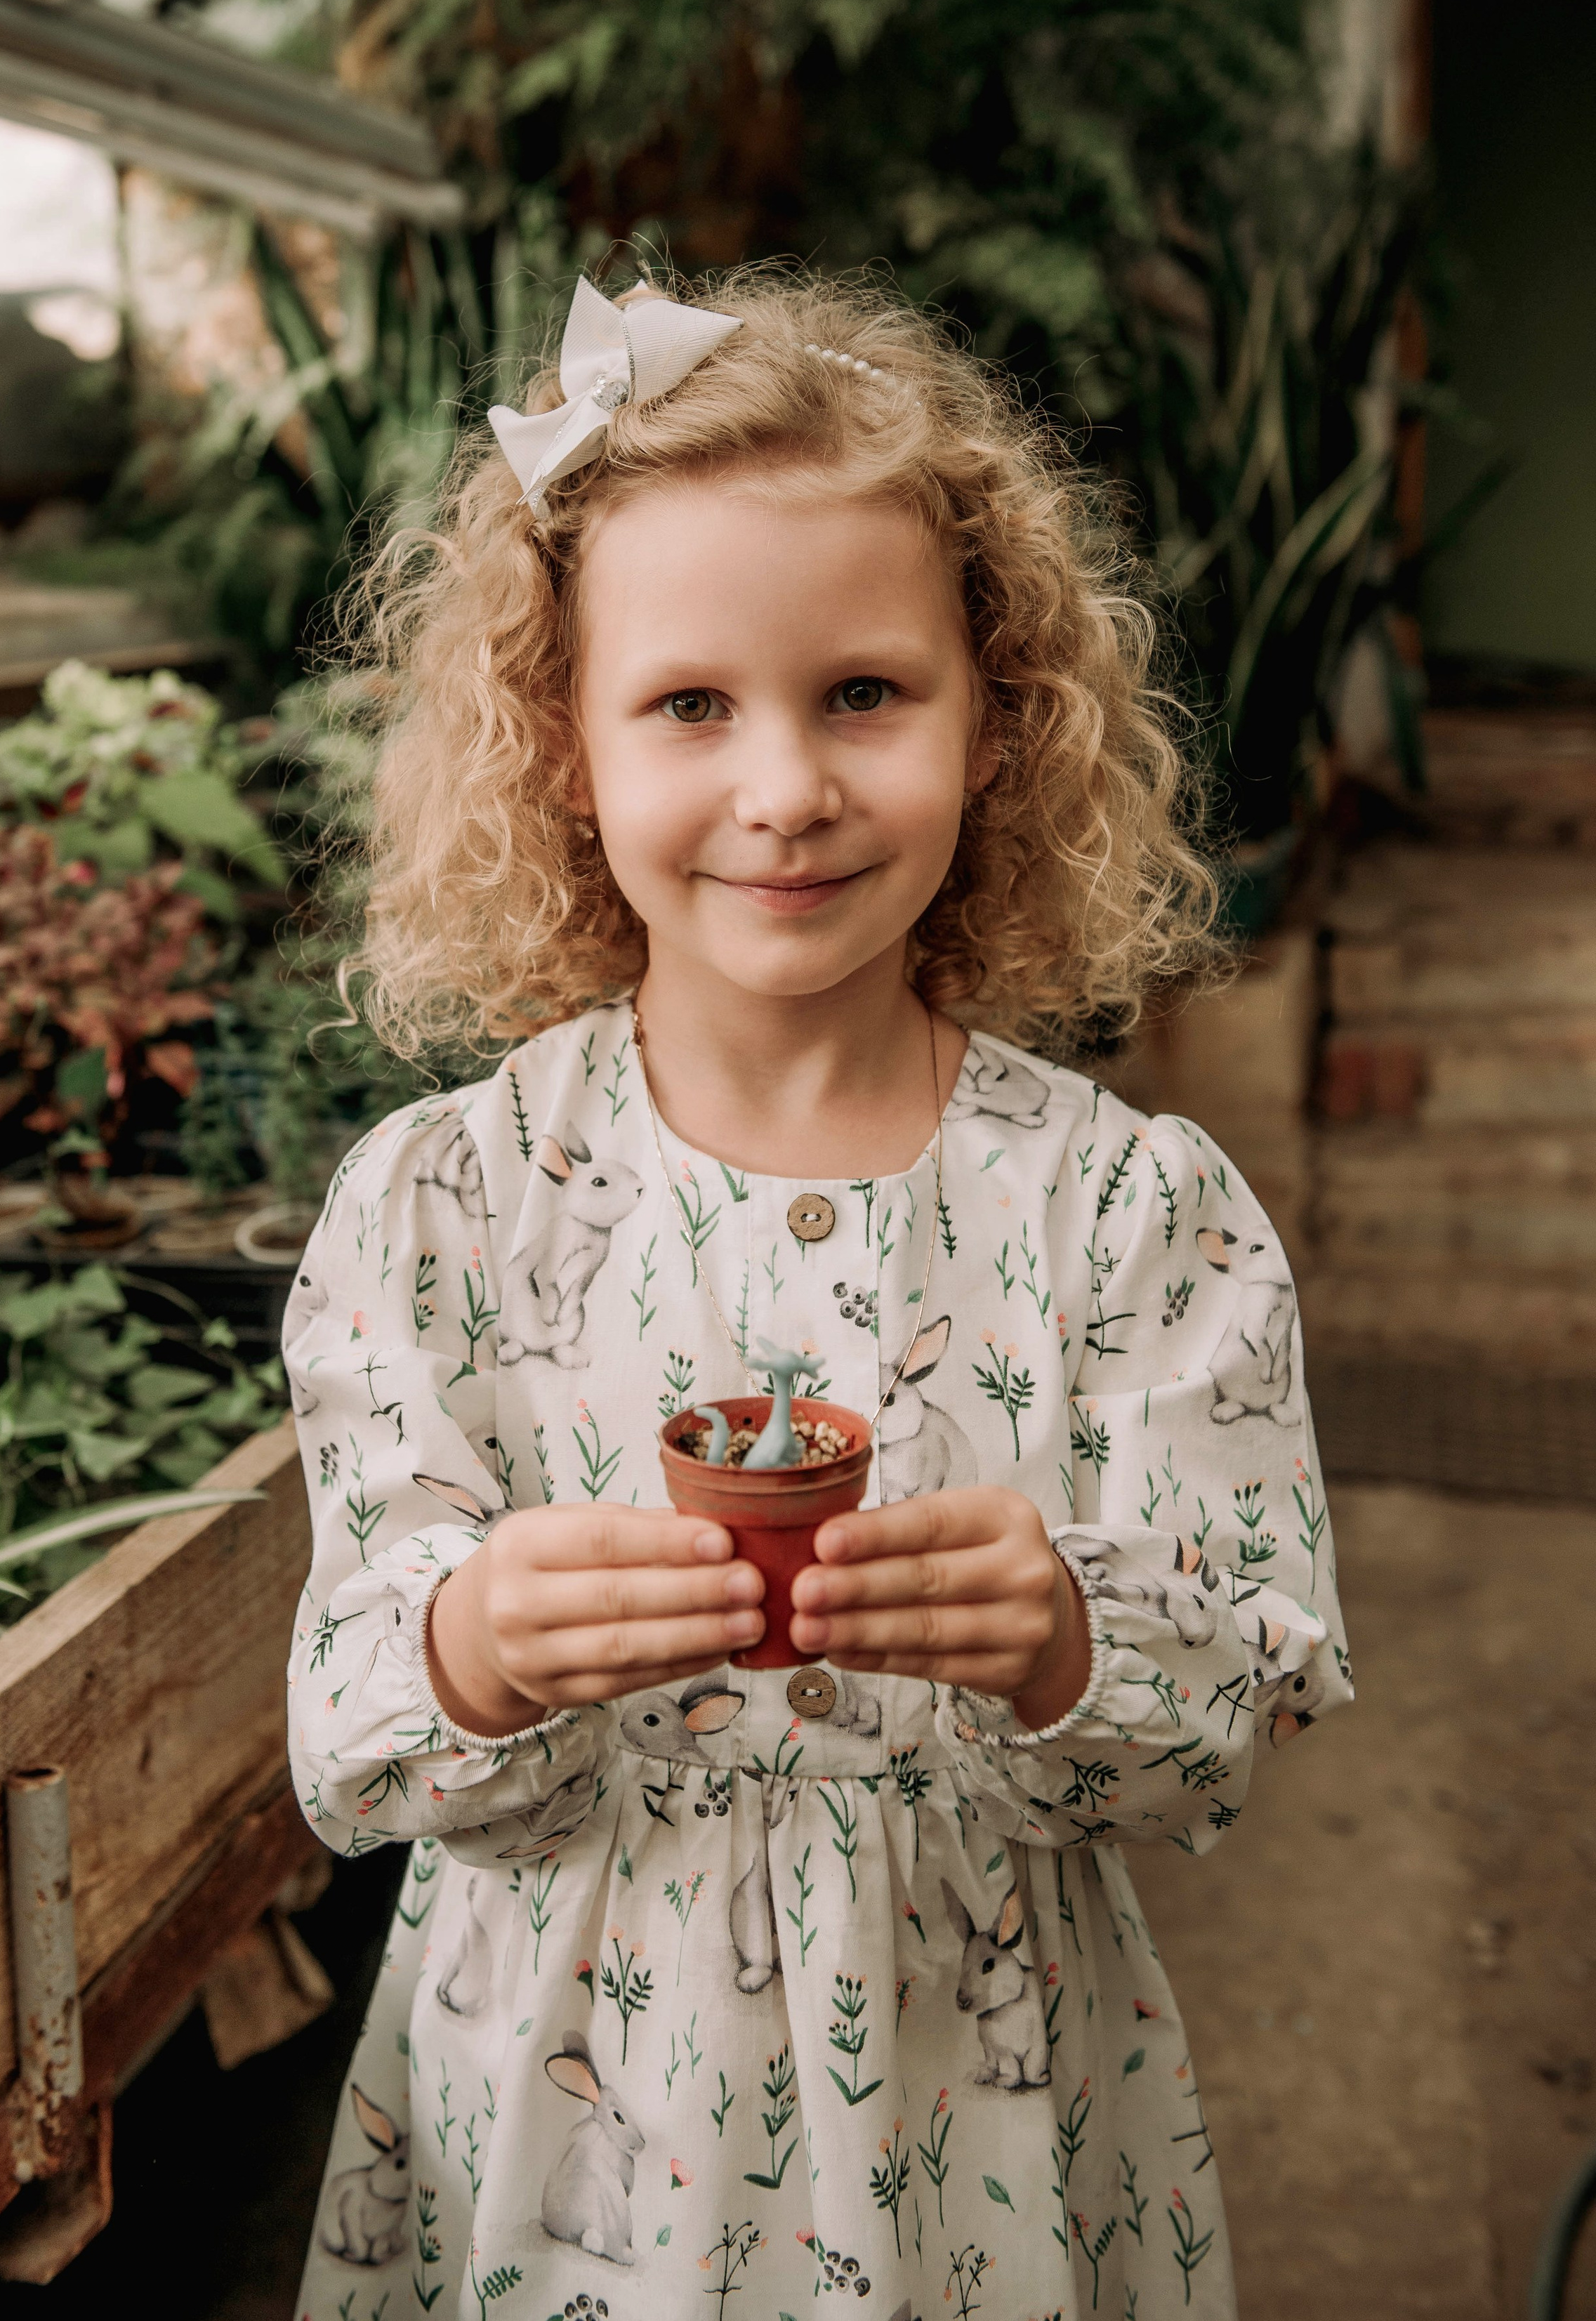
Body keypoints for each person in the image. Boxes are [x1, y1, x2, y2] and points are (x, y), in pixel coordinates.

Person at [284, 268, 1348, 2320]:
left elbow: (1228, 1727)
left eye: (863, 692)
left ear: (1000, 719)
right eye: (690, 703)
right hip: (568, 2136)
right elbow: (346, 1737)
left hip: (993, 2119)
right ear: (559, 752)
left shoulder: (1136, 1215)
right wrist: (475, 1636)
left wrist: (1065, 1637)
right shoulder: (446, 1208)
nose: (785, 785)